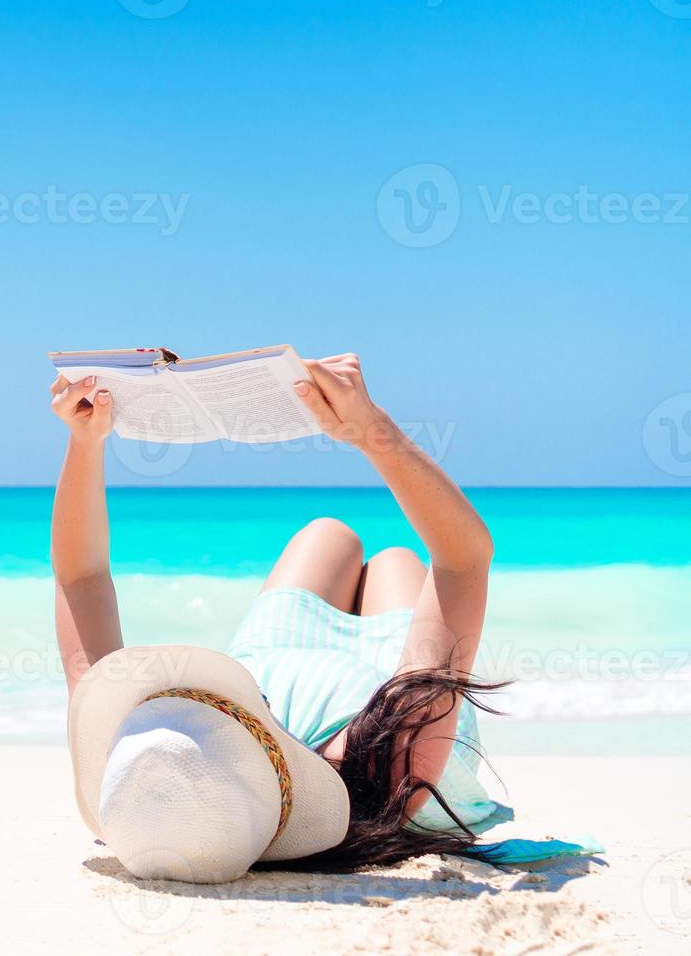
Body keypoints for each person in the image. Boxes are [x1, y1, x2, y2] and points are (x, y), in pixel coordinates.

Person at [49, 353, 505, 877]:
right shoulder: (382, 775)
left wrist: (85, 443)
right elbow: (462, 561)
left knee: (327, 534)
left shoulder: (147, 789)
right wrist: (370, 431)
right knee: (397, 563)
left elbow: (80, 578)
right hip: (378, 698)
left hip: (271, 663)